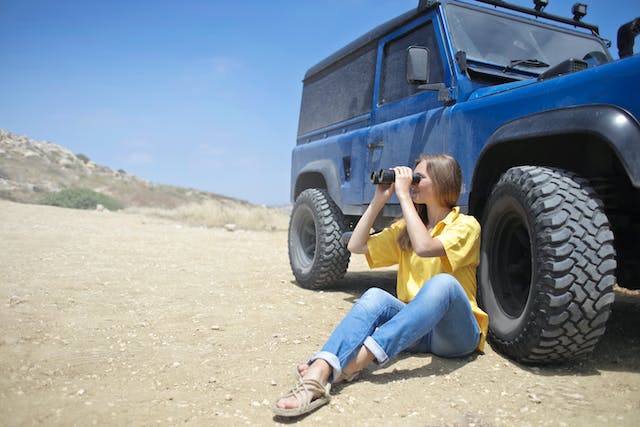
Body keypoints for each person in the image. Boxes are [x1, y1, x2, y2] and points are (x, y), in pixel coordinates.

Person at [273, 154, 488, 418]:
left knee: (443, 284)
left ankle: (354, 363)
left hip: (455, 336)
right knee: (375, 295)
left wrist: (405, 198)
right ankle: (321, 368)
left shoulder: (466, 226)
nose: (412, 184)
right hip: (415, 332)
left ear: (444, 182)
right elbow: (356, 246)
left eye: (419, 179)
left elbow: (425, 247)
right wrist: (378, 200)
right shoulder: (408, 228)